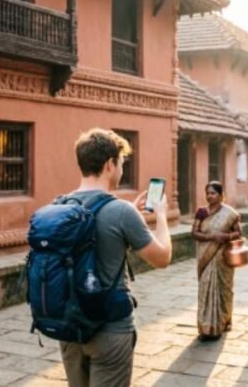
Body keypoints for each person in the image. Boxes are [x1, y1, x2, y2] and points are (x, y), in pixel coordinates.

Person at [59, 129, 173, 387]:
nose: (122, 168)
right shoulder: (120, 212)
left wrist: (129, 213)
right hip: (109, 329)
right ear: (110, 164)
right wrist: (162, 215)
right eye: (122, 162)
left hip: (69, 327)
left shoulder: (59, 205)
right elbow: (162, 257)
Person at [191, 181, 243, 341]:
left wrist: (226, 237)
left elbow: (238, 232)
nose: (209, 196)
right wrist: (212, 237)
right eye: (207, 193)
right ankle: (205, 327)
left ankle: (224, 322)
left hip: (223, 258)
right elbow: (194, 233)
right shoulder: (201, 212)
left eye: (213, 193)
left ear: (221, 196)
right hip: (206, 256)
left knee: (224, 289)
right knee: (206, 288)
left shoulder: (231, 214)